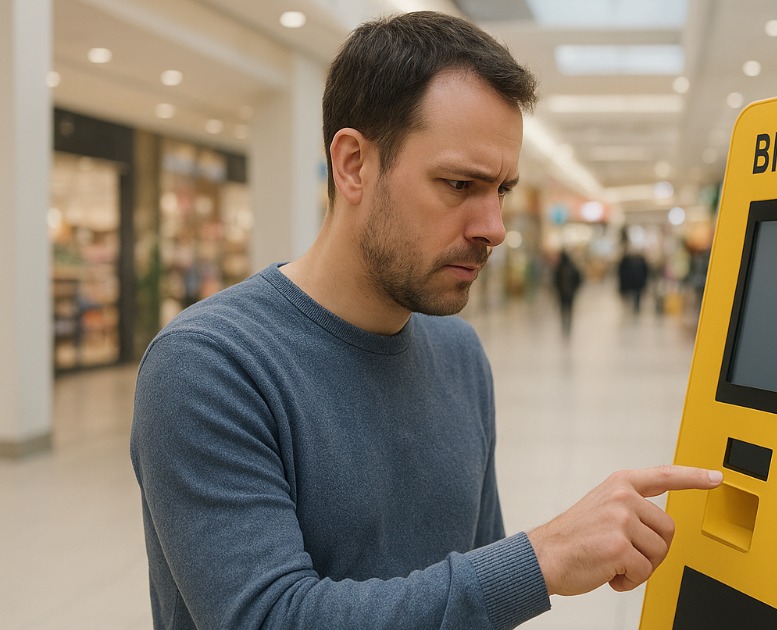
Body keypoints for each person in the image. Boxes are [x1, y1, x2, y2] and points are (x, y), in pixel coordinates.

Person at [129, 11, 720, 630]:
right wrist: (540, 559)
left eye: (503, 191)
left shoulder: (459, 352)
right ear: (354, 165)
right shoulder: (208, 365)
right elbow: (269, 617)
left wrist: (517, 572)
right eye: (459, 183)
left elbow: (476, 594)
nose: (493, 227)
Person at [551, 248, 582, 336]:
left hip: (564, 292)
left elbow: (555, 281)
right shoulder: (569, 267)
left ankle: (565, 324)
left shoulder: (559, 268)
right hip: (568, 293)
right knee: (567, 308)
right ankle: (567, 324)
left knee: (564, 308)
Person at [617, 245, 650, 314]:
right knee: (635, 295)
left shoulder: (630, 260)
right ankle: (635, 307)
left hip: (636, 281)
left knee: (636, 295)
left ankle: (635, 307)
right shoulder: (628, 260)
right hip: (636, 281)